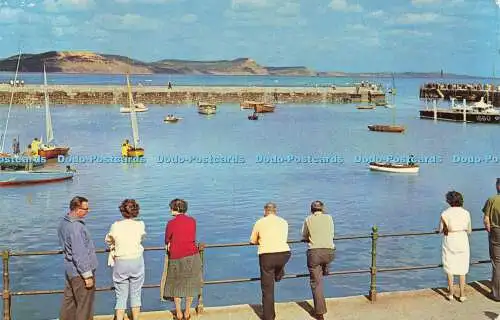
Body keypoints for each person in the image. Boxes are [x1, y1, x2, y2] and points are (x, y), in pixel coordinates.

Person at [105, 199, 146, 320]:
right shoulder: (140, 224)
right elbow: (142, 236)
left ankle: (119, 318)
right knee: (136, 293)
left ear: (122, 211)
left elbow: (108, 239)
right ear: (136, 211)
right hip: (136, 260)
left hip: (121, 261)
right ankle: (136, 318)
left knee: (121, 295)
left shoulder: (115, 225)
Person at [58, 196, 98, 320]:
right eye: (85, 209)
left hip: (70, 270)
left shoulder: (64, 223)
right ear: (76, 209)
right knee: (84, 306)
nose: (88, 211)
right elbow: (79, 253)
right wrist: (87, 275)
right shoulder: (76, 227)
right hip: (80, 273)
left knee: (69, 304)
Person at [250, 202, 291, 320]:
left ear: (265, 211)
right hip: (285, 254)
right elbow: (284, 238)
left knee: (267, 288)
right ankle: (279, 272)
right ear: (275, 210)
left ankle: (269, 317)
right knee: (277, 265)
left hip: (267, 256)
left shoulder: (259, 222)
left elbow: (252, 240)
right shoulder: (284, 222)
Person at [164, 199, 203, 320]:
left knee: (176, 285)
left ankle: (178, 313)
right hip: (192, 255)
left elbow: (167, 239)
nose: (170, 210)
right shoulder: (192, 221)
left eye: (171, 208)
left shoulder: (171, 223)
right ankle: (187, 312)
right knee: (190, 284)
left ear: (175, 209)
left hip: (176, 256)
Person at [301, 201, 335, 320]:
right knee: (324, 262)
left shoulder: (308, 219)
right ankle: (325, 269)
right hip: (330, 252)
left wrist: (308, 238)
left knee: (316, 283)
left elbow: (304, 236)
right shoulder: (329, 218)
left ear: (311, 210)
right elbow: (331, 233)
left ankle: (319, 313)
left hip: (315, 253)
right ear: (323, 209)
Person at [439, 191, 471, 302]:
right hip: (462, 239)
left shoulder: (445, 213)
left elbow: (440, 230)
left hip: (450, 240)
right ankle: (462, 294)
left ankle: (451, 293)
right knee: (462, 268)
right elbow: (469, 230)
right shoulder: (466, 213)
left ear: (449, 201)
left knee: (449, 266)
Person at [483, 178, 500, 301]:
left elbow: (486, 220)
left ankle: (496, 294)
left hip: (496, 232)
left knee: (497, 263)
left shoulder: (492, 200)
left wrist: (490, 230)